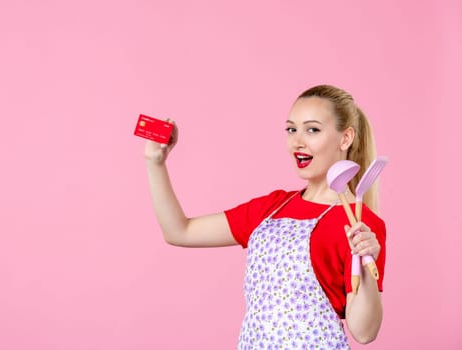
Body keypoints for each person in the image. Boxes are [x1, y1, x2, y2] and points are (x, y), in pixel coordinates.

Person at [144, 84, 386, 349]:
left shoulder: (359, 225)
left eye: (313, 129)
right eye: (291, 129)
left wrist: (365, 265)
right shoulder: (272, 208)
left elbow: (364, 332)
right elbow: (180, 231)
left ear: (345, 138)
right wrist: (155, 163)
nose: (297, 141)